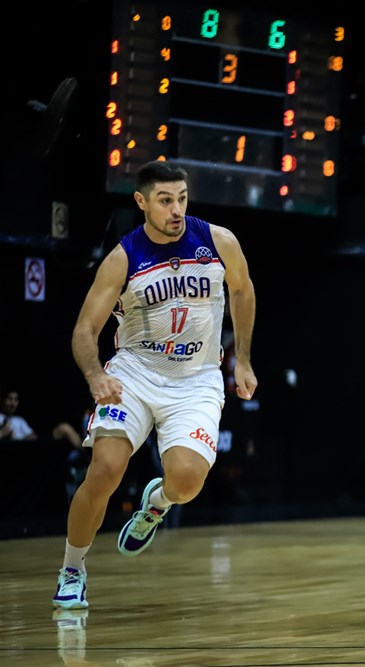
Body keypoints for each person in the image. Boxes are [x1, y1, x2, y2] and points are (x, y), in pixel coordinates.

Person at [52, 159, 258, 610]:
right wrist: (96, 375)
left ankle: (157, 504)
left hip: (197, 379)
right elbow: (85, 329)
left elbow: (242, 290)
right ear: (141, 202)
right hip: (135, 374)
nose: (176, 209)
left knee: (186, 483)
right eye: (165, 201)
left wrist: (242, 359)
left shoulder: (219, 241)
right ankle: (72, 568)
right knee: (105, 470)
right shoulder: (123, 258)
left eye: (181, 198)